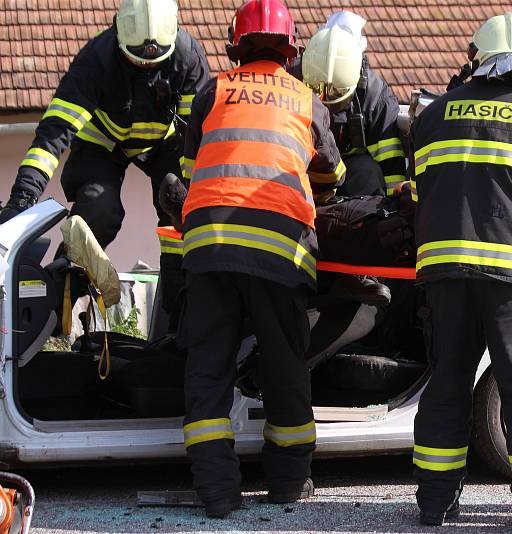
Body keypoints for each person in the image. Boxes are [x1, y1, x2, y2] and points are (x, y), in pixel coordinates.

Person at [177, 0, 344, 518]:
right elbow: (333, 176)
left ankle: (218, 493)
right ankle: (289, 483)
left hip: (208, 247)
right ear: (292, 49)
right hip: (280, 250)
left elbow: (188, 165)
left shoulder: (214, 91)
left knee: (207, 369)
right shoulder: (305, 99)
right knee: (284, 366)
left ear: (237, 44)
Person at [410, 13, 512, 533]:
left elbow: (419, 197)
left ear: (476, 59)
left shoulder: (433, 116)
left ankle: (435, 504)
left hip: (444, 278)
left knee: (447, 386)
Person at [0, 0, 208, 241]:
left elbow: (197, 133)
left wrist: (196, 192)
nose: (144, 67)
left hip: (164, 143)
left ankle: (180, 276)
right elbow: (55, 132)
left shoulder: (188, 59)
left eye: (152, 64)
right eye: (137, 61)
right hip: (102, 143)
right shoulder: (96, 60)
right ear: (119, 37)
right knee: (98, 210)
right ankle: (73, 272)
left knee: (182, 207)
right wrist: (23, 198)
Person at [297, 11, 407, 197]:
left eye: (337, 95)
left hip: (352, 178)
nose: (327, 98)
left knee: (367, 171)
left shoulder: (375, 97)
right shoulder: (292, 79)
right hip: (304, 168)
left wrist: (393, 210)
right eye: (319, 92)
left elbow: (390, 166)